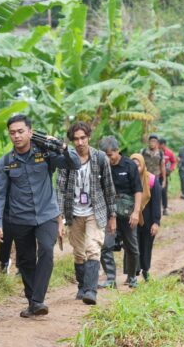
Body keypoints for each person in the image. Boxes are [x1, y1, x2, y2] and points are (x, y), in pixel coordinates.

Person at [0, 114, 79, 317]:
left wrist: (63, 147)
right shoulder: (5, 162)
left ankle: (38, 299)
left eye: (21, 131)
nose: (17, 136)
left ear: (30, 132)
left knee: (47, 250)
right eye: (12, 133)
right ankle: (33, 303)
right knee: (26, 261)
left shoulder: (46, 154)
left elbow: (74, 163)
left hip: (46, 214)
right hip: (20, 219)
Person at [55, 122, 116, 306]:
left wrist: (112, 216)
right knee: (79, 253)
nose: (80, 142)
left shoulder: (100, 158)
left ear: (88, 137)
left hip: (94, 211)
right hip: (73, 212)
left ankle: (91, 290)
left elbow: (108, 187)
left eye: (83, 138)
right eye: (76, 139)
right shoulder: (66, 159)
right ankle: (82, 287)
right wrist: (59, 218)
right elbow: (60, 189)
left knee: (93, 248)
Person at [99, 136, 143, 288]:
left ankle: (132, 277)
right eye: (105, 155)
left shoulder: (129, 165)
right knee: (105, 245)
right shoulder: (102, 166)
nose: (108, 158)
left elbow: (138, 190)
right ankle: (111, 278)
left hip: (127, 212)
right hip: (110, 212)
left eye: (110, 155)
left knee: (132, 247)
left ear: (117, 151)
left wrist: (136, 212)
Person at [129, 153, 161, 282]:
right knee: (132, 245)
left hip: (148, 220)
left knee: (146, 246)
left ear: (143, 165)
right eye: (133, 165)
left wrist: (156, 222)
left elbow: (156, 203)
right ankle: (133, 272)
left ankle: (145, 270)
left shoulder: (152, 180)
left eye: (138, 165)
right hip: (132, 219)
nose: (136, 168)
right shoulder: (127, 178)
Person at [141, 134, 166, 215]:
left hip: (156, 178)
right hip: (145, 177)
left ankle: (156, 214)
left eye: (154, 141)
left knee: (156, 196)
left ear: (157, 143)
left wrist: (164, 180)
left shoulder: (160, 153)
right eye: (151, 141)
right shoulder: (143, 152)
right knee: (145, 196)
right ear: (148, 142)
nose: (152, 143)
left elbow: (162, 167)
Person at [159, 138, 177, 216]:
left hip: (164, 176)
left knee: (164, 192)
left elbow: (174, 161)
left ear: (163, 144)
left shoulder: (169, 153)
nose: (159, 146)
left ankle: (165, 208)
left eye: (160, 144)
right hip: (155, 175)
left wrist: (171, 169)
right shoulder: (157, 152)